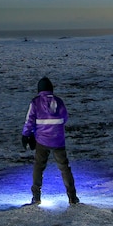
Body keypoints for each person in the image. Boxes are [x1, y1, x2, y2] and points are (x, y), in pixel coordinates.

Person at [21, 77, 79, 205]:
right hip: (58, 140)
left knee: (38, 167)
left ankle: (36, 196)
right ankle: (72, 197)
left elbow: (29, 120)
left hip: (42, 140)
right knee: (64, 168)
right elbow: (65, 117)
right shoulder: (59, 101)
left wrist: (26, 135)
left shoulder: (35, 102)